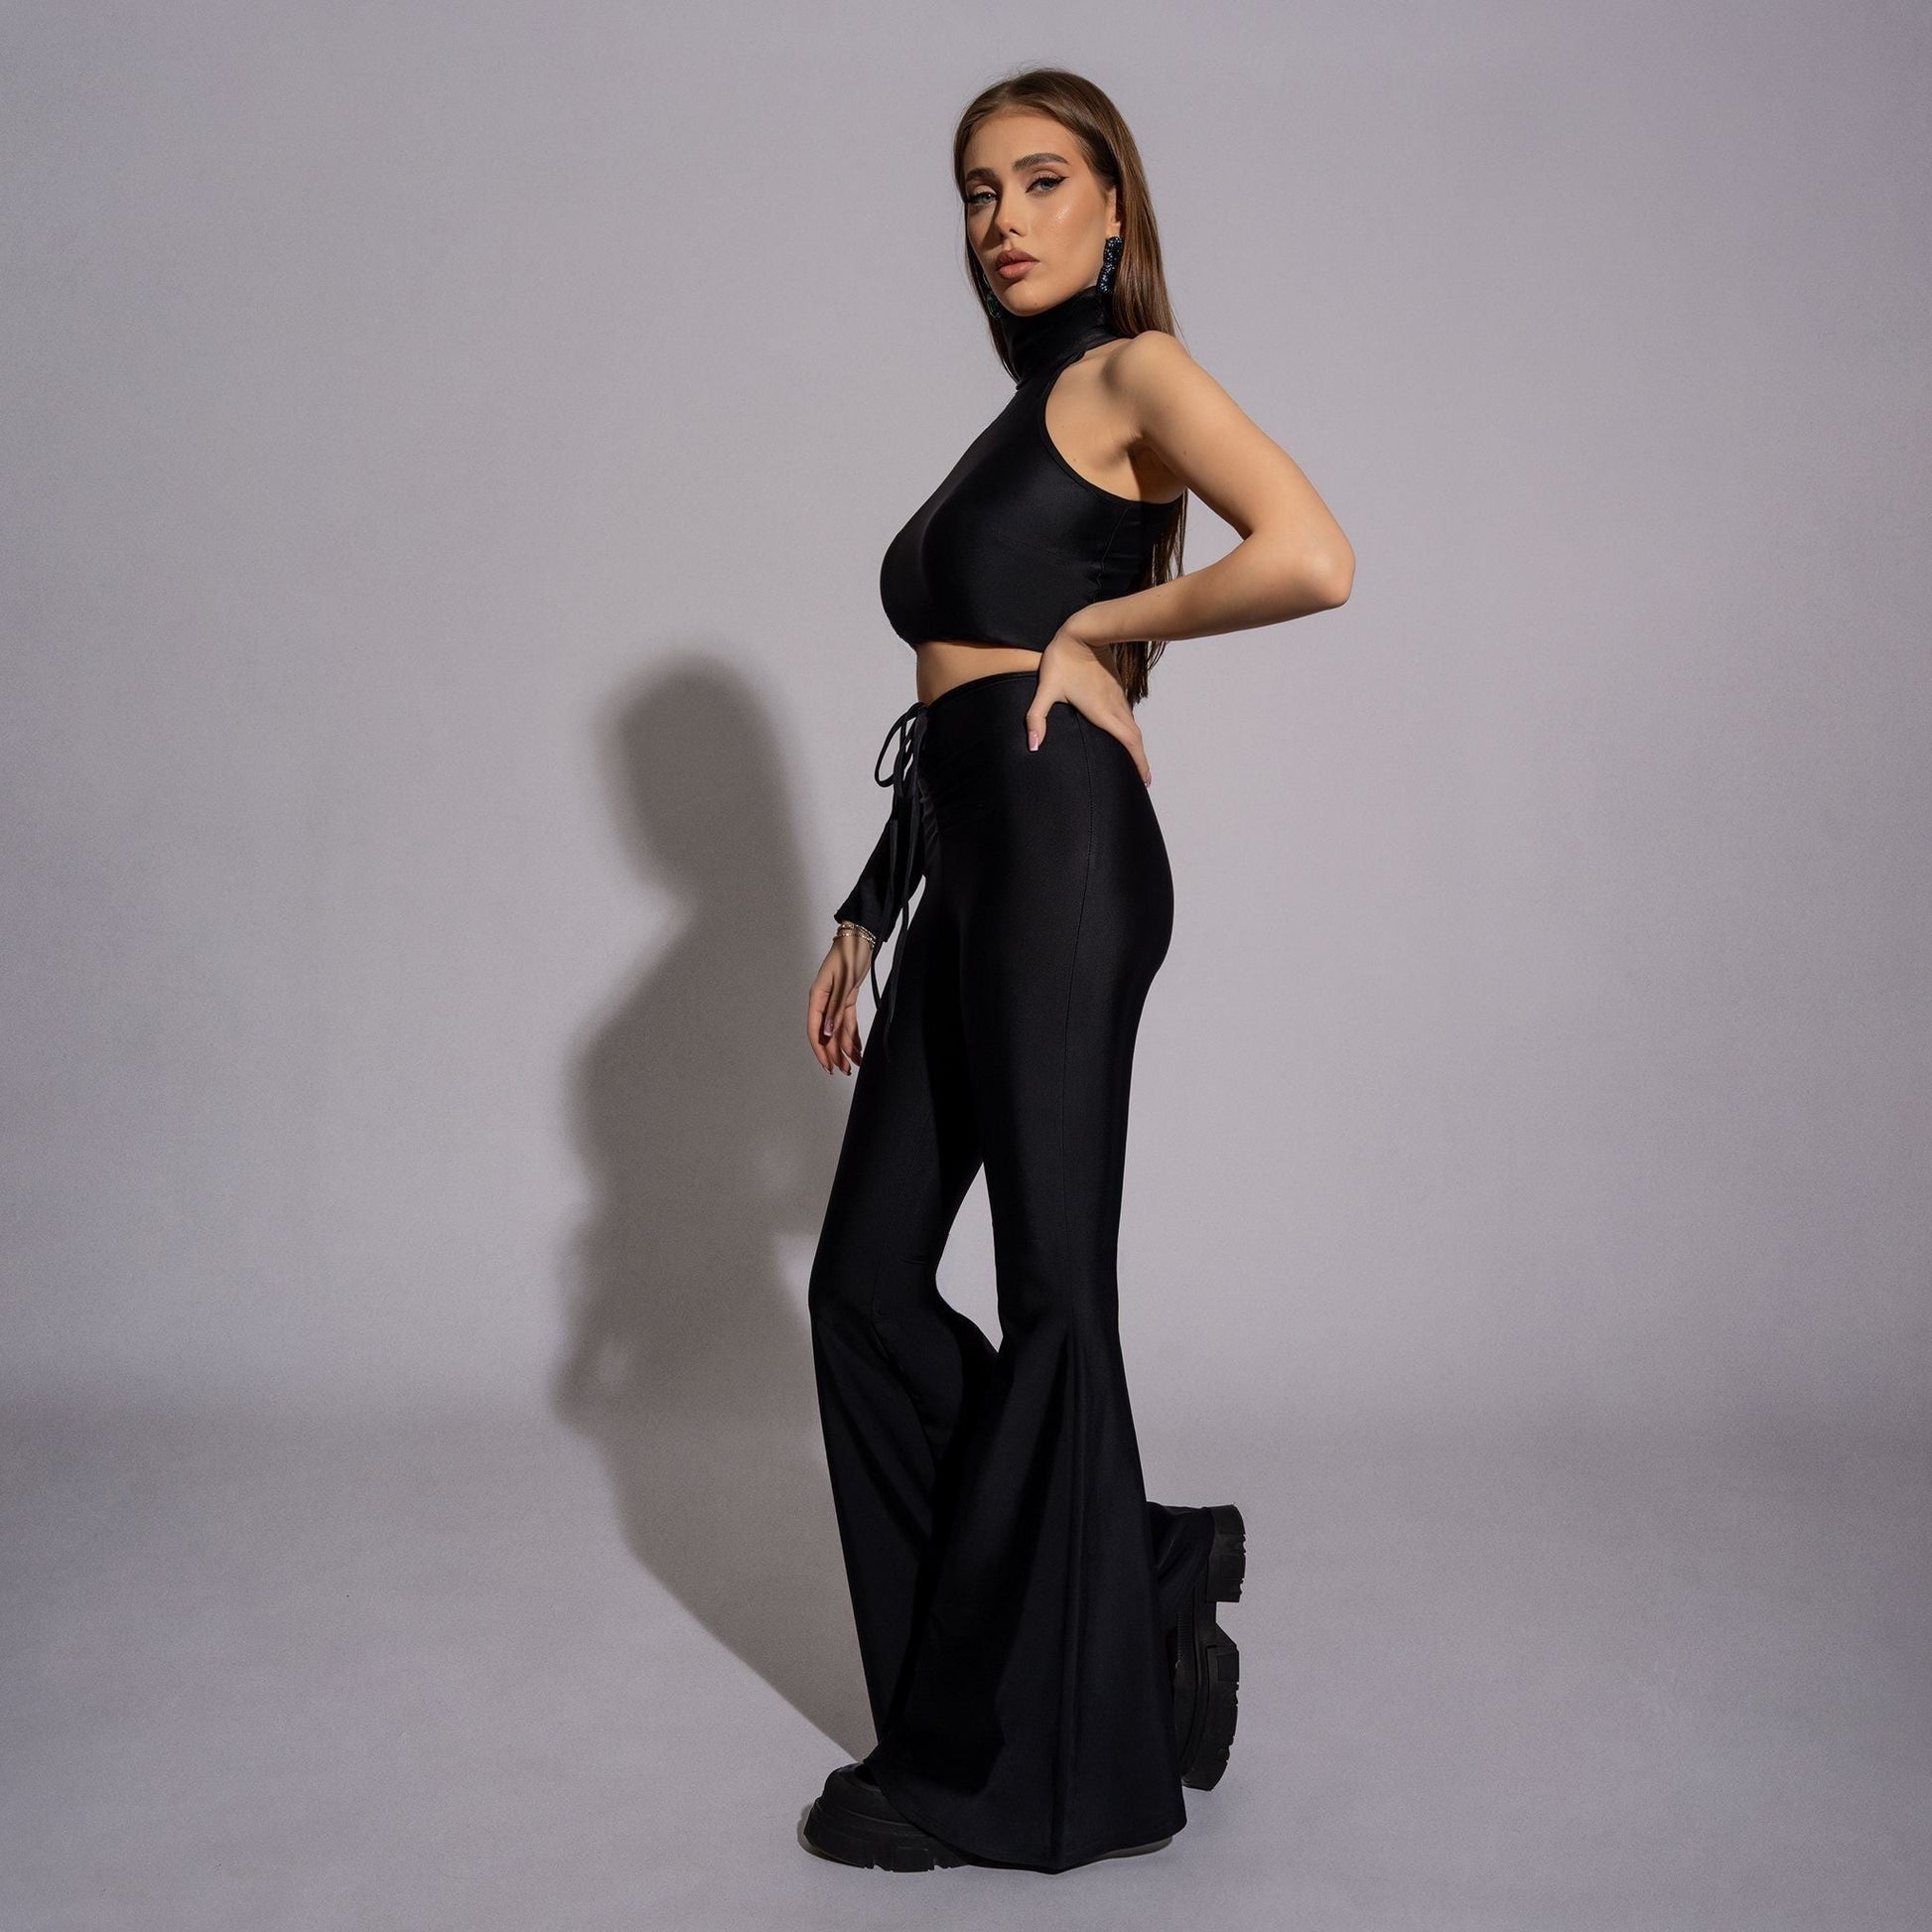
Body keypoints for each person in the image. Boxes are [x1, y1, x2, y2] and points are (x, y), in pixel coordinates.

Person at [800, 68, 1354, 1875]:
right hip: (970, 853)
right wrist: (873, 903)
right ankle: (1144, 1565)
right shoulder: (1017, 417)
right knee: (862, 1287)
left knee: (1051, 1291)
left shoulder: (1133, 374)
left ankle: (1015, 1774)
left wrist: (1102, 626)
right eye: (977, 191)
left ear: (1114, 206)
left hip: (1061, 853)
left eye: (1041, 181)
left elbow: (1312, 556)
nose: (1003, 219)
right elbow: (951, 686)